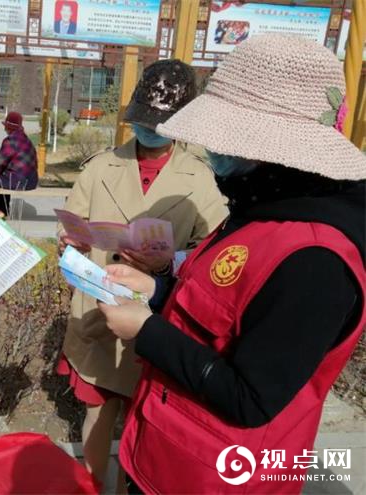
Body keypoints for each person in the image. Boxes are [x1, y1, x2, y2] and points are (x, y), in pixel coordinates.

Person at [98, 35, 366, 494]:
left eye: (225, 137)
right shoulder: (262, 206)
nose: (212, 150)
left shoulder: (315, 261)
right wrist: (157, 291)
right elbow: (222, 317)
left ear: (273, 148)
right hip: (170, 454)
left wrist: (146, 330)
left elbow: (251, 397)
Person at [57, 59, 228, 486]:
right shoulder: (100, 167)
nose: (149, 131)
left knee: (148, 420)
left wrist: (170, 263)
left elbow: (215, 254)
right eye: (143, 122)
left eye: (160, 124)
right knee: (97, 413)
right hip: (97, 309)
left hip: (156, 317)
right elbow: (71, 224)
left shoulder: (203, 181)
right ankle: (93, 484)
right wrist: (70, 243)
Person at [0, 111, 38, 219]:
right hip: (32, 181)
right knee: (4, 180)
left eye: (5, 126)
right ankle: (4, 210)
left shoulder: (10, 141)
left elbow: (0, 163)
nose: (4, 129)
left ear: (8, 127)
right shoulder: (27, 140)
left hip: (19, 182)